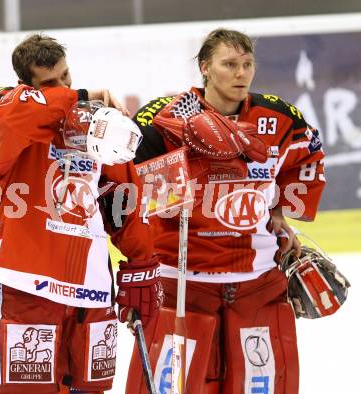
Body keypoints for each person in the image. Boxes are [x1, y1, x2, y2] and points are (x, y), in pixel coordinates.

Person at [126, 28, 325, 393]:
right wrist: (180, 173)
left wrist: (281, 210)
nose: (241, 73)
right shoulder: (162, 117)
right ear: (205, 68)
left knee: (258, 384)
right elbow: (130, 183)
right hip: (181, 282)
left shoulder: (279, 117)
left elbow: (308, 154)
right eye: (229, 64)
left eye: (247, 64)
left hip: (256, 281)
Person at [0, 33, 162, 393]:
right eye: (50, 83)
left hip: (91, 288)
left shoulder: (99, 127)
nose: (63, 86)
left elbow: (122, 196)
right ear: (27, 84)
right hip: (27, 285)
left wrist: (142, 262)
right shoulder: (8, 118)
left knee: (91, 390)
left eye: (67, 77)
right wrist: (79, 97)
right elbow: (14, 110)